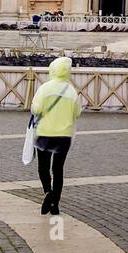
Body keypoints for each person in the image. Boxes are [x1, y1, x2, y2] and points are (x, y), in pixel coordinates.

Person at [29, 56, 83, 216]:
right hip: (64, 135)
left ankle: (48, 192)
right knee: (58, 170)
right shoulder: (71, 91)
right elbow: (77, 113)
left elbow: (36, 109)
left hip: (45, 133)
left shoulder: (45, 88)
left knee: (43, 168)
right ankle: (55, 204)